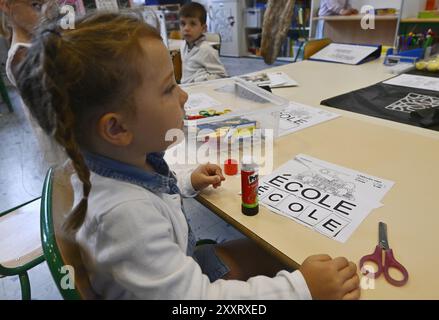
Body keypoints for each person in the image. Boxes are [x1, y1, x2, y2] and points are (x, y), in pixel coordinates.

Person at [16, 12, 360, 300]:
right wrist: (302, 290)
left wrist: (185, 183)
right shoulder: (125, 217)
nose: (183, 96)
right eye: (168, 88)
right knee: (289, 265)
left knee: (270, 252)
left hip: (176, 268)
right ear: (117, 129)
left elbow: (145, 191)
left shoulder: (107, 161)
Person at [0, 0, 66, 166]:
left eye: (49, 5)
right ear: (5, 5)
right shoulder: (22, 55)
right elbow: (57, 111)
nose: (46, 14)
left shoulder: (42, 39)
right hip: (65, 145)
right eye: (36, 6)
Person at [179, 2, 228, 84]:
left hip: (198, 90)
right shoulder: (183, 45)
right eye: (183, 24)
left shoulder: (206, 50)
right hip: (186, 88)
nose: (186, 28)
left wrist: (201, 79)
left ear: (203, 28)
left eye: (192, 24)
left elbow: (222, 75)